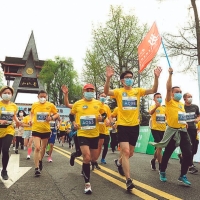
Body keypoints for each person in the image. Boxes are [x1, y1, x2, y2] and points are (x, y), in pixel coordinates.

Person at [104, 66, 162, 190]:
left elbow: (153, 89)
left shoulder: (137, 91)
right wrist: (108, 78)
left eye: (131, 77)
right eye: (127, 78)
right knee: (125, 152)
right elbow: (107, 91)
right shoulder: (119, 92)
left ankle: (119, 162)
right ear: (122, 81)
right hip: (123, 126)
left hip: (135, 126)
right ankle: (128, 180)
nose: (129, 79)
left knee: (130, 153)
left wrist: (156, 77)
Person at [150, 68, 192, 186]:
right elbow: (168, 88)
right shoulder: (169, 101)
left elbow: (180, 116)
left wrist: (185, 122)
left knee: (188, 154)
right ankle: (162, 171)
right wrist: (170, 74)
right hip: (172, 132)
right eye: (177, 91)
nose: (179, 93)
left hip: (183, 131)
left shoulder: (182, 105)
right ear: (172, 93)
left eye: (180, 91)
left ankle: (182, 175)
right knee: (168, 153)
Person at [69, 83, 106, 194]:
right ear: (83, 92)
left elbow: (104, 115)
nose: (90, 91)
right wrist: (74, 122)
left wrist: (101, 118)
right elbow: (71, 115)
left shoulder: (98, 103)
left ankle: (82, 164)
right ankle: (87, 184)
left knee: (93, 158)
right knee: (86, 157)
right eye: (87, 90)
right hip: (82, 133)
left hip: (95, 134)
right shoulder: (78, 104)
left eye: (92, 90)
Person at [29, 90, 59, 177]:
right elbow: (31, 113)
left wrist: (52, 117)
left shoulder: (50, 105)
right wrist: (31, 119)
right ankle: (36, 168)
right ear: (38, 97)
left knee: (43, 148)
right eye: (41, 96)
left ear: (47, 97)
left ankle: (40, 160)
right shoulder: (34, 104)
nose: (43, 98)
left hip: (46, 130)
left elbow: (57, 114)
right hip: (36, 129)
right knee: (37, 148)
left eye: (44, 96)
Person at [0, 86, 21, 180]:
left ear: (12, 95)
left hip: (9, 129)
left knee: (5, 150)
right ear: (1, 94)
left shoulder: (14, 106)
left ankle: (4, 170)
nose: (7, 94)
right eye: (5, 92)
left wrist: (18, 122)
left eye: (9, 93)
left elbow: (14, 117)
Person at [61, 85, 82, 167]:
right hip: (78, 130)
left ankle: (87, 166)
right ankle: (74, 155)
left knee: (90, 152)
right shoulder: (78, 105)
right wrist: (66, 94)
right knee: (79, 152)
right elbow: (67, 104)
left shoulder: (95, 105)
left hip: (91, 131)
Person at [182, 92, 200, 173]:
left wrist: (197, 119)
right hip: (185, 130)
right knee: (189, 147)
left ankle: (183, 158)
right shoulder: (182, 107)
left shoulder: (195, 107)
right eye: (189, 96)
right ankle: (190, 165)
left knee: (194, 148)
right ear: (184, 98)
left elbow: (199, 115)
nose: (191, 98)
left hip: (194, 129)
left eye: (191, 96)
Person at [149, 93, 166, 171]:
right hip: (155, 129)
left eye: (160, 97)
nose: (159, 98)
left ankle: (153, 160)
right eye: (157, 97)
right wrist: (156, 106)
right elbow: (150, 113)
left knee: (159, 148)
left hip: (163, 129)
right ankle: (161, 165)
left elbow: (167, 117)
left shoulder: (164, 108)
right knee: (159, 147)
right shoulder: (153, 106)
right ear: (154, 99)